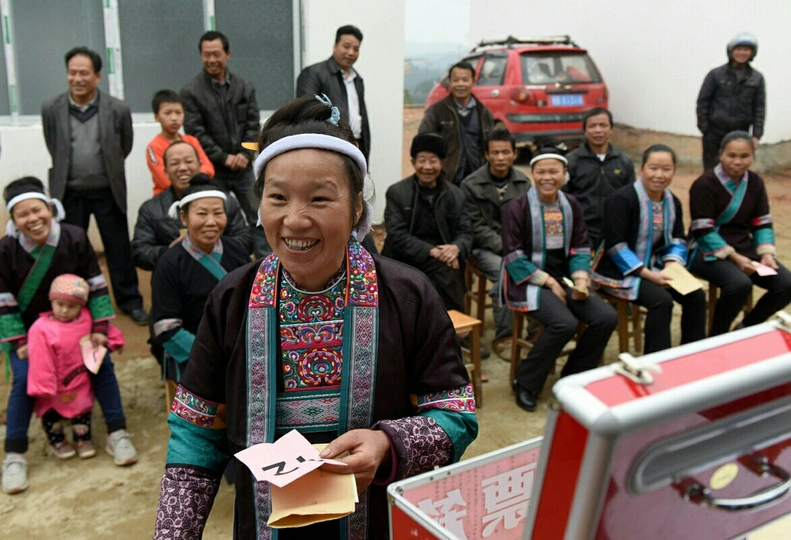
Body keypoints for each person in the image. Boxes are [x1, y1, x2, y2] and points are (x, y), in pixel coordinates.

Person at [153, 96, 478, 539]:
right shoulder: (232, 299)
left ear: (357, 207)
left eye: (320, 199)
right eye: (278, 197)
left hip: (375, 522)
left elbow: (457, 414)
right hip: (264, 525)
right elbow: (195, 430)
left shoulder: (408, 295)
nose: (295, 220)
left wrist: (386, 443)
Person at [0, 177, 138, 495]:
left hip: (78, 326)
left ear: (50, 208)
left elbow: (96, 284)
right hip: (31, 334)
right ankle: (15, 454)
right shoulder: (6, 250)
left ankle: (117, 433)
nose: (33, 219)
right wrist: (19, 342)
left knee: (100, 365)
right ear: (14, 220)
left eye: (37, 210)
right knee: (23, 379)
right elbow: (4, 300)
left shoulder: (74, 236)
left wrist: (99, 330)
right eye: (23, 214)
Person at [500, 149, 617, 412]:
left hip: (566, 279)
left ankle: (573, 376)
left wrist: (581, 281)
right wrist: (549, 282)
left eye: (554, 171)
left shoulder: (571, 204)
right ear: (532, 174)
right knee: (564, 323)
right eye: (541, 172)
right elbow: (513, 256)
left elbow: (580, 246)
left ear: (565, 174)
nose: (547, 177)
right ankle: (525, 381)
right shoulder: (516, 207)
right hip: (529, 281)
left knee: (606, 317)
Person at [41, 46, 147, 325]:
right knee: (69, 251)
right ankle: (72, 301)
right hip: (69, 193)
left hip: (108, 191)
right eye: (72, 73)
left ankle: (130, 301)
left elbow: (124, 146)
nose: (77, 79)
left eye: (84, 73)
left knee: (118, 250)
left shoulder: (118, 109)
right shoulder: (51, 108)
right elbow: (54, 146)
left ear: (97, 76)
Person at [593, 145, 706, 353]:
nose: (659, 175)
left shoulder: (672, 201)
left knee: (695, 295)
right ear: (642, 169)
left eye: (666, 169)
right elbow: (615, 245)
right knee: (661, 301)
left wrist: (671, 264)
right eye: (653, 168)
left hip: (656, 264)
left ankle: (692, 352)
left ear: (674, 171)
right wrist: (648, 275)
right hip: (618, 270)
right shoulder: (621, 199)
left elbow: (678, 238)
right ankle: (656, 358)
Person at [689, 131, 791, 335]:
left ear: (752, 156)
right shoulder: (704, 183)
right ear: (721, 154)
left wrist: (766, 254)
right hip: (705, 248)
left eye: (744, 156)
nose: (737, 162)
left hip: (743, 246)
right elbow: (702, 228)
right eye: (731, 155)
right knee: (739, 285)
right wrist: (734, 257)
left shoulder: (755, 182)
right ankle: (717, 335)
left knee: (786, 284)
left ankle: (746, 328)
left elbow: (762, 221)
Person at [151, 181, 250, 391]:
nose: (211, 222)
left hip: (242, 348)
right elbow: (166, 328)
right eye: (202, 214)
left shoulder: (237, 250)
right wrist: (213, 356)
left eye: (218, 213)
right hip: (196, 353)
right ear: (184, 217)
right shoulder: (169, 264)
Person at [181, 31, 268, 258]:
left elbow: (253, 124)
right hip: (213, 170)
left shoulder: (244, 86)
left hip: (244, 167)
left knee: (259, 214)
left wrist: (244, 154)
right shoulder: (191, 91)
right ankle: (230, 264)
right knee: (219, 218)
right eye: (206, 55)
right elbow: (195, 131)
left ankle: (266, 263)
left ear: (227, 54)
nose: (211, 59)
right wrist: (223, 157)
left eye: (216, 54)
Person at [27, 274, 125, 460]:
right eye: (60, 304)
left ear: (81, 306)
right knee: (52, 415)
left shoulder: (86, 320)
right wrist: (43, 386)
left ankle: (83, 439)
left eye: (71, 306)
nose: (65, 310)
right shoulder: (40, 329)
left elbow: (104, 332)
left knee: (82, 409)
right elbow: (39, 361)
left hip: (79, 379)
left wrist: (114, 340)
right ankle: (57, 441)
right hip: (54, 383)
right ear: (51, 301)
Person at [382, 133, 472, 312]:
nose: (427, 167)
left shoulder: (456, 195)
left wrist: (456, 247)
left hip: (443, 259)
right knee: (443, 270)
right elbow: (397, 235)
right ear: (413, 162)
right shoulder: (397, 192)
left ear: (442, 163)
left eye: (433, 161)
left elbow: (466, 231)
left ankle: (451, 324)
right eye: (422, 160)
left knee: (449, 270)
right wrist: (432, 251)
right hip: (404, 257)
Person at [132, 141, 251, 271]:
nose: (183, 168)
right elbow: (139, 251)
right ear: (165, 171)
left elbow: (245, 240)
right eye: (175, 163)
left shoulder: (225, 201)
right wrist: (170, 252)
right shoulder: (151, 209)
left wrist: (211, 244)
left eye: (189, 161)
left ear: (200, 165)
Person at [461, 128, 531, 349]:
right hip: (483, 249)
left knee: (540, 266)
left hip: (517, 246)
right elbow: (475, 226)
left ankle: (536, 331)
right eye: (495, 152)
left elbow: (528, 221)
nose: (500, 158)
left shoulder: (524, 183)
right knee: (507, 272)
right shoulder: (471, 184)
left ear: (514, 154)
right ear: (487, 155)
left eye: (505, 152)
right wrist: (508, 248)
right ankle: (505, 337)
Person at [563, 107, 636, 248]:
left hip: (615, 230)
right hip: (581, 231)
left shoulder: (624, 162)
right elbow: (563, 199)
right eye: (592, 126)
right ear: (585, 131)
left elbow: (631, 199)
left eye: (603, 125)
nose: (598, 130)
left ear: (611, 129)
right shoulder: (571, 162)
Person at [296, 25, 371, 162]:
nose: (351, 53)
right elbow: (306, 114)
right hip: (328, 147)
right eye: (346, 46)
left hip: (355, 145)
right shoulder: (313, 73)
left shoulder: (357, 79)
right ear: (335, 46)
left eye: (356, 49)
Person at [697, 33, 765, 171]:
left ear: (752, 53)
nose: (742, 53)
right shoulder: (715, 74)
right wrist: (705, 128)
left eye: (746, 50)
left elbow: (759, 109)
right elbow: (703, 102)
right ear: (731, 51)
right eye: (738, 49)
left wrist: (756, 135)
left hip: (740, 134)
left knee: (735, 170)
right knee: (711, 171)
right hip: (714, 133)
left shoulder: (757, 79)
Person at [419, 62, 496, 185]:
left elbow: (491, 146)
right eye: (456, 80)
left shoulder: (484, 113)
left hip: (478, 181)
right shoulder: (436, 111)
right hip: (446, 179)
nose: (460, 84)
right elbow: (423, 142)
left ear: (473, 82)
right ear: (449, 82)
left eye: (465, 80)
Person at [145, 89, 214, 196]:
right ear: (156, 117)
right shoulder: (154, 147)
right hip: (168, 198)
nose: (174, 118)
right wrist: (195, 177)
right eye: (167, 113)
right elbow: (165, 181)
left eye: (178, 113)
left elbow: (209, 170)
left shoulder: (192, 141)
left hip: (195, 195)